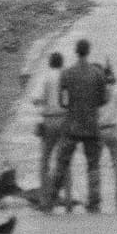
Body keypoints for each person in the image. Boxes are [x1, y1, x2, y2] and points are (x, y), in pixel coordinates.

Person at [43, 38, 109, 213]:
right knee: (93, 165)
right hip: (91, 125)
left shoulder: (67, 73)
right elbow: (104, 100)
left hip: (71, 125)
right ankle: (94, 202)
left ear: (76, 51)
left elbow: (62, 102)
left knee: (61, 164)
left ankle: (51, 201)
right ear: (88, 51)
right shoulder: (98, 74)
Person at [31, 51, 70, 204]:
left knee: (45, 160)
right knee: (64, 159)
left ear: (50, 63)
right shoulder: (67, 76)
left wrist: (45, 102)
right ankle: (67, 198)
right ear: (61, 63)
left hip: (49, 121)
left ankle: (44, 199)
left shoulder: (45, 77)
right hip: (65, 120)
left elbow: (36, 99)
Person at [98, 59, 117, 211]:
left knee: (95, 165)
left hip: (99, 130)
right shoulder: (115, 92)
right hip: (113, 129)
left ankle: (95, 197)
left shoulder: (97, 92)